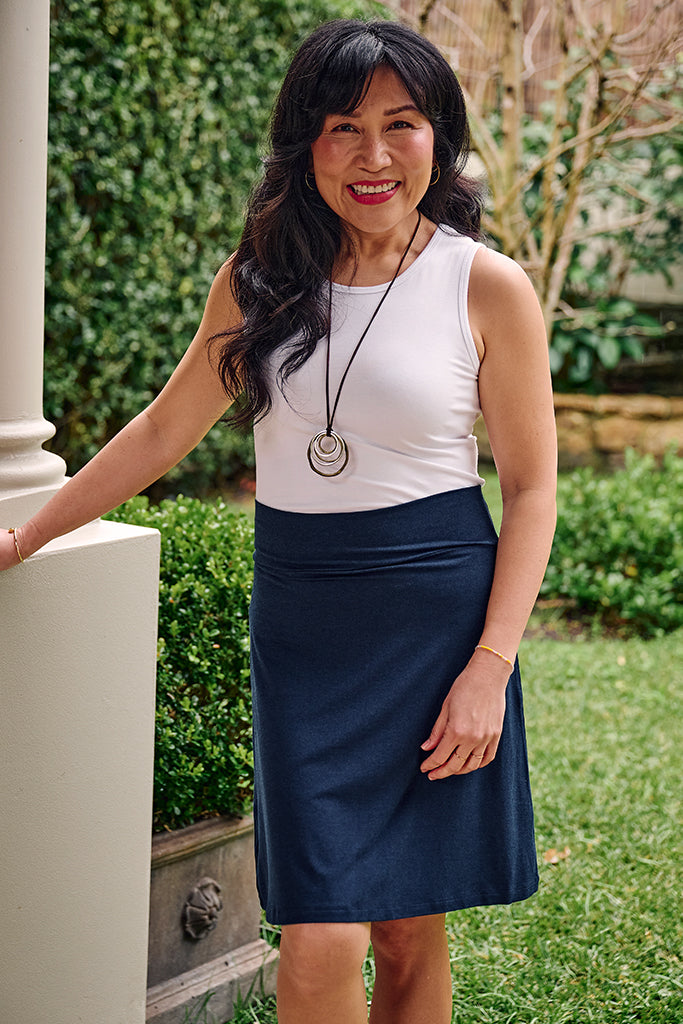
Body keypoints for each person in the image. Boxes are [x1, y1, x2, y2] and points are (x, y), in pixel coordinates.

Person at [0, 18, 557, 1024]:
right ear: (304, 143)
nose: (373, 154)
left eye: (401, 123)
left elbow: (530, 488)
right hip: (307, 627)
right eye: (343, 126)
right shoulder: (259, 278)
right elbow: (163, 429)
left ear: (442, 135)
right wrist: (23, 534)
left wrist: (490, 664)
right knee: (320, 938)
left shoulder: (485, 285)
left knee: (406, 925)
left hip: (437, 627)